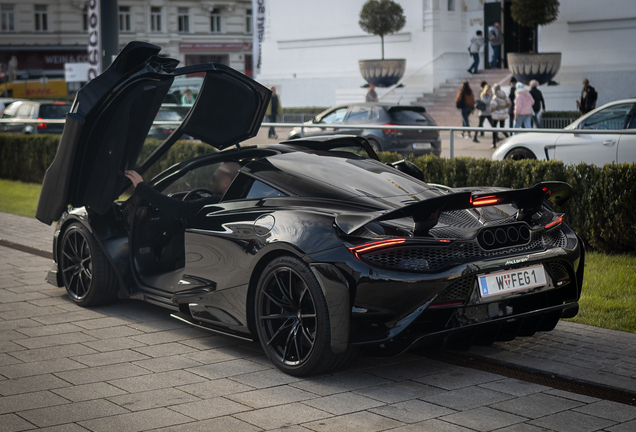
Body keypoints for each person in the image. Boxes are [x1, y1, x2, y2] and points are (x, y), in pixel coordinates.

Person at [124, 162, 241, 220]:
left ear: (226, 181)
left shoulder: (218, 202)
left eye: (215, 179)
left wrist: (141, 186)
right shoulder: (239, 202)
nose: (211, 183)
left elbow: (180, 209)